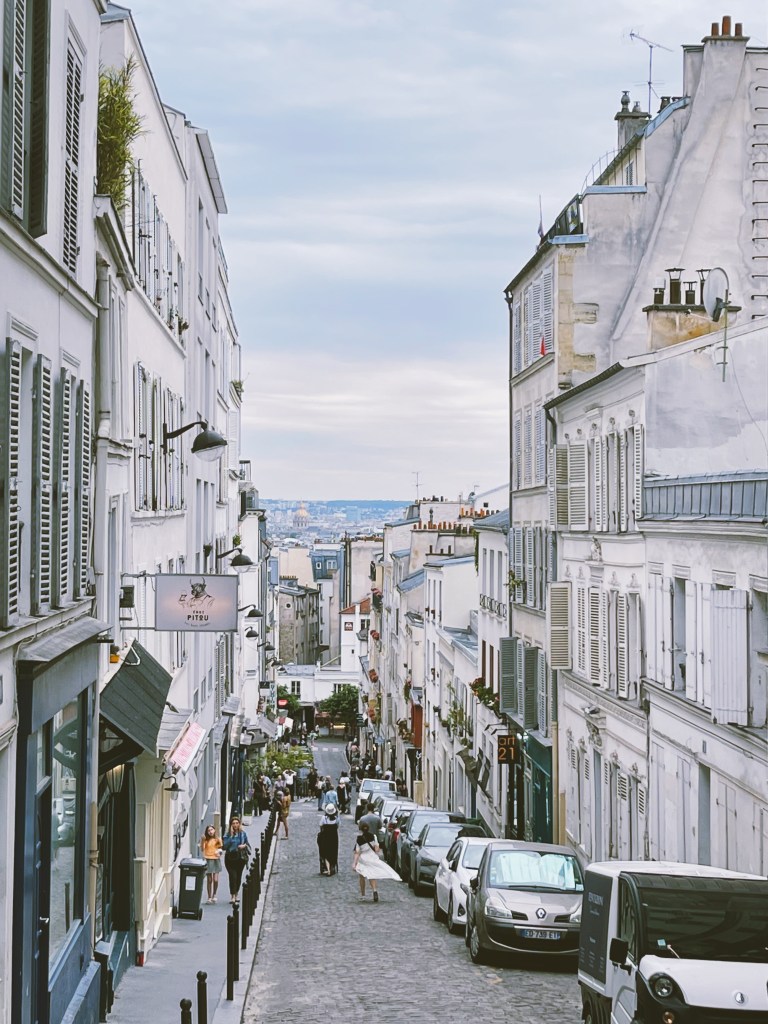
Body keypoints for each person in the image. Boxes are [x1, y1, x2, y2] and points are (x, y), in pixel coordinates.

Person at [353, 820, 400, 901]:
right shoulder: (373, 836)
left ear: (361, 829)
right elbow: (377, 849)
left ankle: (363, 895)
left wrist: (354, 863)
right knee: (372, 875)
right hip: (372, 857)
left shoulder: (359, 839)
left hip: (363, 859)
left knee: (362, 877)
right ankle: (374, 890)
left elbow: (357, 852)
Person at [222, 816, 250, 904]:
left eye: (237, 823)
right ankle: (232, 895)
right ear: (231, 825)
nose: (235, 825)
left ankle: (236, 894)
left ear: (239, 824)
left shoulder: (243, 834)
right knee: (232, 876)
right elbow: (224, 846)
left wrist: (244, 846)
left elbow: (247, 844)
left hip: (240, 858)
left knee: (238, 876)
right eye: (233, 823)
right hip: (230, 858)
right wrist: (231, 837)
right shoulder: (227, 835)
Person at [200, 824, 223, 903]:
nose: (210, 832)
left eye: (211, 830)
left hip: (216, 859)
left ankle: (214, 895)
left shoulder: (217, 839)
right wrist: (203, 840)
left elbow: (220, 848)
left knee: (215, 880)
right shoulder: (206, 840)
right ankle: (209, 897)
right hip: (208, 859)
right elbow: (202, 849)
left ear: (214, 830)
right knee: (209, 880)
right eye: (209, 830)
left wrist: (219, 852)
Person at [317, 802, 339, 875]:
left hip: (325, 836)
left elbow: (321, 826)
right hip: (334, 837)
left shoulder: (324, 818)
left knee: (325, 853)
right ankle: (332, 865)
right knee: (333, 851)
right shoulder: (336, 819)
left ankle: (328, 868)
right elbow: (338, 826)